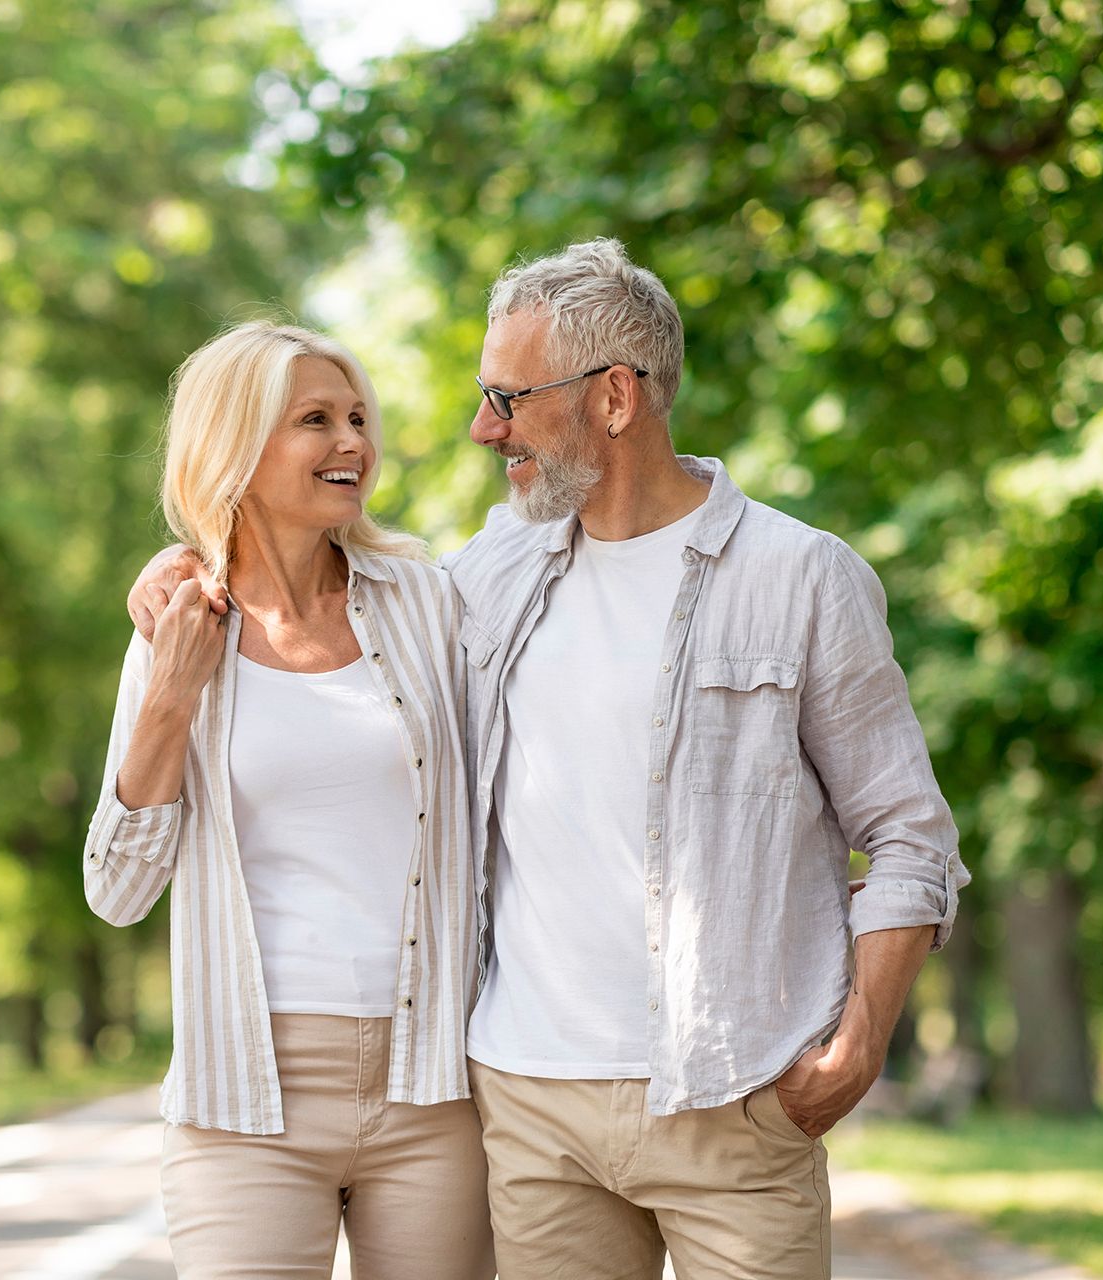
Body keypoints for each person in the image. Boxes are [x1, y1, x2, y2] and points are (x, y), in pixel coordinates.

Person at [129, 241, 970, 1280]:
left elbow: (908, 835)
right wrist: (184, 565)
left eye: (509, 397)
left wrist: (858, 1043)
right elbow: (306, 582)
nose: (486, 427)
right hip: (529, 1106)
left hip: (733, 1092)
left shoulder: (801, 578)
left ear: (615, 397)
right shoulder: (487, 577)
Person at [85, 321, 494, 1279]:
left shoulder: (430, 603)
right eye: (316, 420)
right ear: (235, 446)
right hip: (244, 1098)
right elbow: (116, 889)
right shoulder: (176, 631)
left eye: (358, 417)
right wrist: (171, 697)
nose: (352, 442)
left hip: (432, 1082)